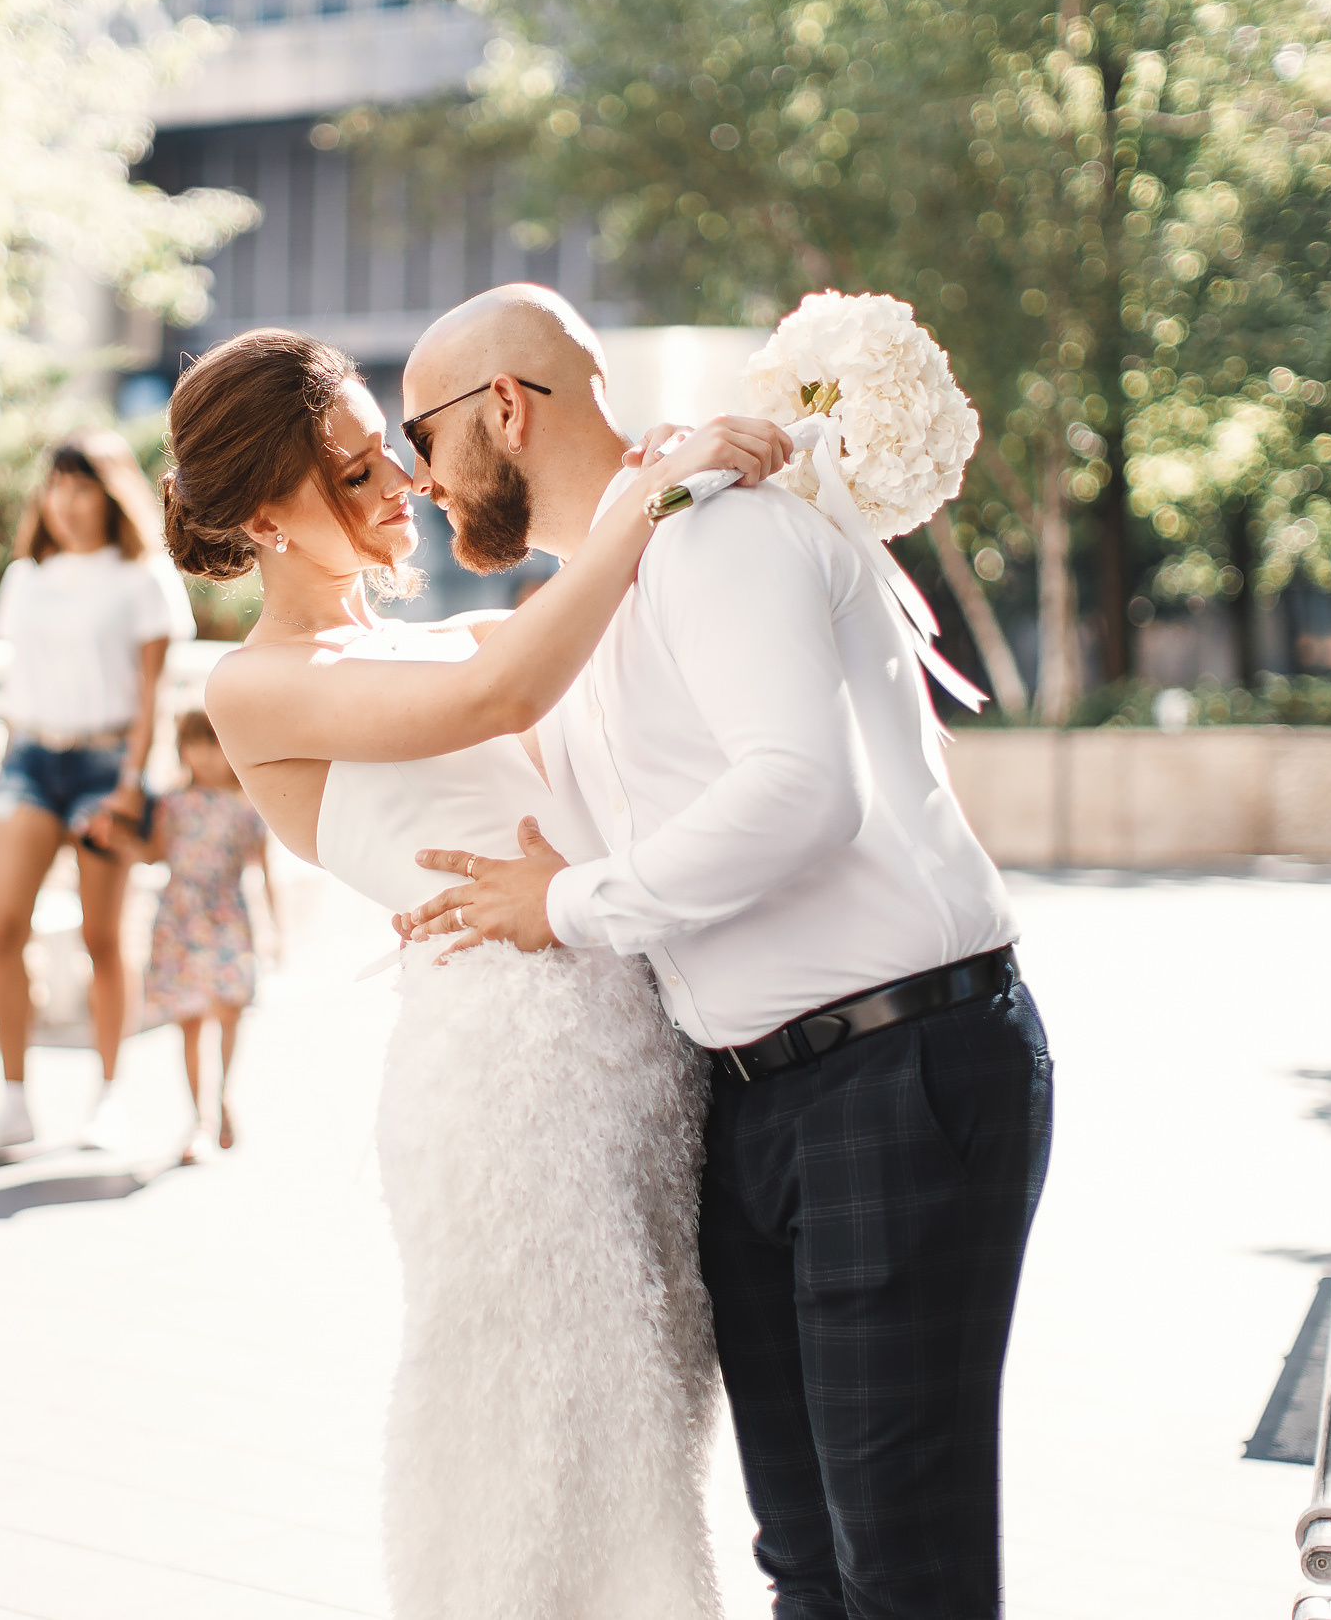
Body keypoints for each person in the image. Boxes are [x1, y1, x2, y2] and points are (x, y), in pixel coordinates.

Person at [393, 286, 1048, 1620]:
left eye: (421, 434)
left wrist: (565, 904)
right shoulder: (607, 580)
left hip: (898, 1063)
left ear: (505, 410)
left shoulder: (718, 535)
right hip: (753, 1101)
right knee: (804, 1563)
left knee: (904, 1577)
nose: (414, 477)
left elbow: (800, 792)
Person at [168, 325, 793, 1617]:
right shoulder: (256, 684)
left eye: (390, 453)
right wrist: (655, 493)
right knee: (531, 1437)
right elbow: (510, 694)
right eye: (350, 475)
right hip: (511, 1087)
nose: (399, 485)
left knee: (641, 1430)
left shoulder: (456, 632)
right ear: (263, 517)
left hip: (636, 1057)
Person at [0, 432, 195, 1162]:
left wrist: (131, 784)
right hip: (30, 760)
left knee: (101, 938)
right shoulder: (25, 577)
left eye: (81, 485)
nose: (65, 501)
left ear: (110, 491)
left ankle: (109, 1095)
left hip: (106, 767)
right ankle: (11, 1102)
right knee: (5, 929)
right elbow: (16, 689)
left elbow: (154, 696)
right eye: (55, 485)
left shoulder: (142, 577)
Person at [116, 709, 271, 1163]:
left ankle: (220, 1095)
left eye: (213, 743)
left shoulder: (249, 805)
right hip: (179, 915)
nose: (203, 755)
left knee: (227, 1009)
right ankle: (198, 1119)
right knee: (186, 1017)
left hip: (226, 914)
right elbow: (154, 853)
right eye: (194, 744)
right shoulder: (172, 804)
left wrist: (275, 930)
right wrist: (120, 836)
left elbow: (265, 867)